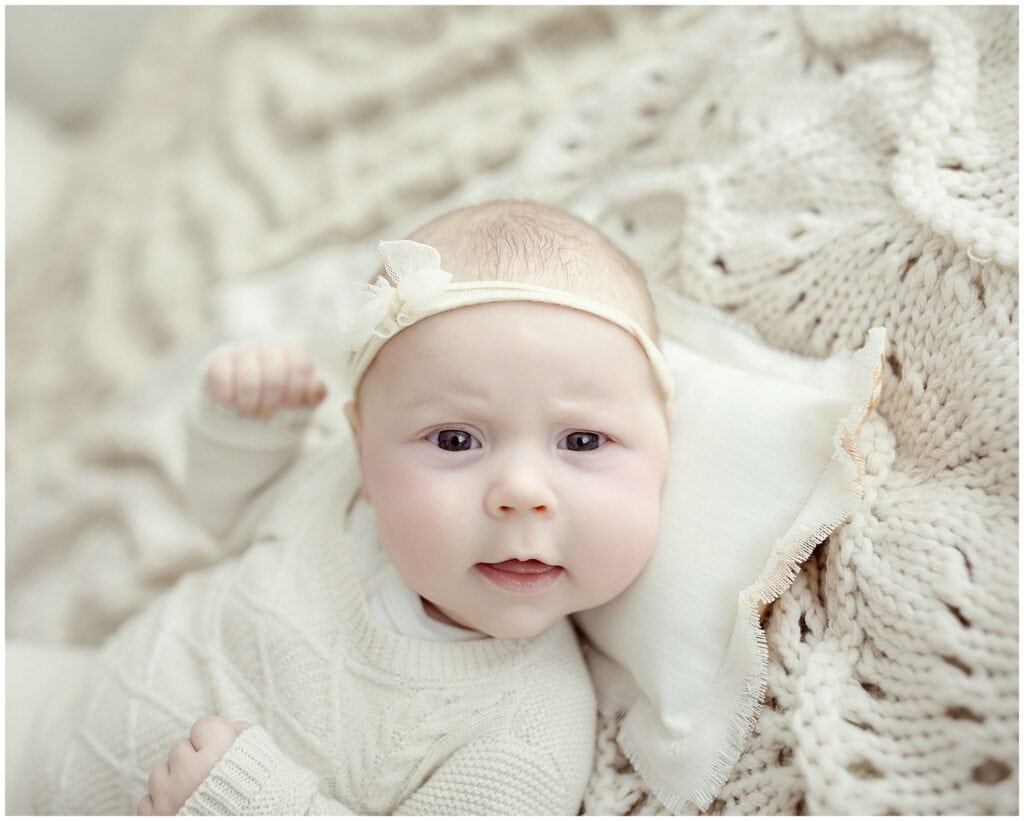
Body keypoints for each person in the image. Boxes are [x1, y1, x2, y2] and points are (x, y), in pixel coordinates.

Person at [36, 200, 674, 815]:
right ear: (363, 448)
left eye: (583, 440)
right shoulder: (340, 490)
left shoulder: (527, 734)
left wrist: (253, 805)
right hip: (57, 704)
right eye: (456, 439)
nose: (522, 492)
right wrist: (247, 429)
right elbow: (230, 515)